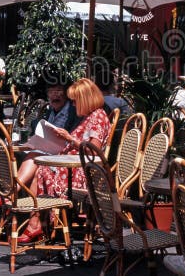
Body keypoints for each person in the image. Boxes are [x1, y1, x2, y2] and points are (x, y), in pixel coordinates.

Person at [12, 78, 111, 243]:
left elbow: (95, 150)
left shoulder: (98, 117)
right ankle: (37, 222)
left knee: (41, 171)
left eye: (75, 101)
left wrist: (70, 139)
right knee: (39, 166)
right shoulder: (89, 116)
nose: (72, 105)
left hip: (84, 171)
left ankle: (36, 222)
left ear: (84, 100)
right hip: (73, 165)